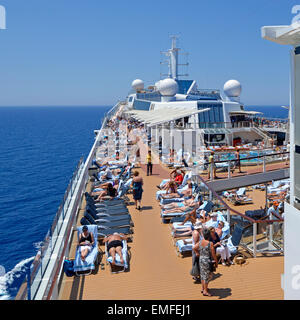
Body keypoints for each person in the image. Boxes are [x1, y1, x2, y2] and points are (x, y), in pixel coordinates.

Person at [193, 228, 218, 296]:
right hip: (207, 261)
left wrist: (197, 253)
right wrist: (216, 262)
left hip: (201, 259)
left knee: (202, 275)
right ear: (209, 235)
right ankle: (205, 291)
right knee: (207, 276)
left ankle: (203, 288)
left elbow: (194, 248)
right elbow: (213, 254)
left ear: (203, 235)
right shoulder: (210, 243)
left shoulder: (200, 242)